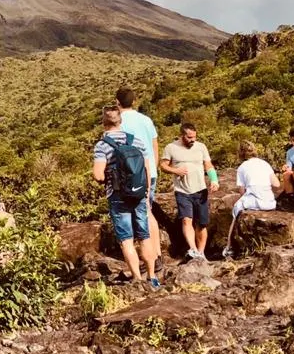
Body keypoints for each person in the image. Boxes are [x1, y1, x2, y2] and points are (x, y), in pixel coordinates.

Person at [92, 106, 160, 289]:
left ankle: (137, 279)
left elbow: (98, 175)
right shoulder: (136, 141)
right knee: (144, 237)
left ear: (104, 122)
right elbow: (146, 168)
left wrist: (107, 178)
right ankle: (152, 276)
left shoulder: (102, 145)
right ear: (120, 121)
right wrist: (145, 194)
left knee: (126, 239)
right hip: (139, 193)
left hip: (117, 196)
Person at [116, 86, 163, 281]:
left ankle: (144, 261)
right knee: (148, 210)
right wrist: (154, 169)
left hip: (130, 174)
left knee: (132, 215)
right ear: (134, 101)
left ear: (117, 102)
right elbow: (154, 145)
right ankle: (157, 255)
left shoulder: (119, 122)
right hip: (149, 171)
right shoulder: (146, 120)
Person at [160, 122, 219, 261]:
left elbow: (208, 165)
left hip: (200, 189)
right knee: (187, 220)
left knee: (202, 223)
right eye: (189, 137)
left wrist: (214, 180)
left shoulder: (201, 147)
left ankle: (201, 252)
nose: (192, 140)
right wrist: (176, 170)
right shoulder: (171, 147)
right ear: (182, 135)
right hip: (182, 191)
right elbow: (162, 165)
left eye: (194, 137)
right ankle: (192, 249)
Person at [222, 142, 280, 260]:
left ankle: (229, 247)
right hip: (269, 202)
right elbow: (276, 184)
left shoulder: (242, 167)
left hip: (255, 201)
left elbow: (242, 191)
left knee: (236, 209)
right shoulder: (265, 164)